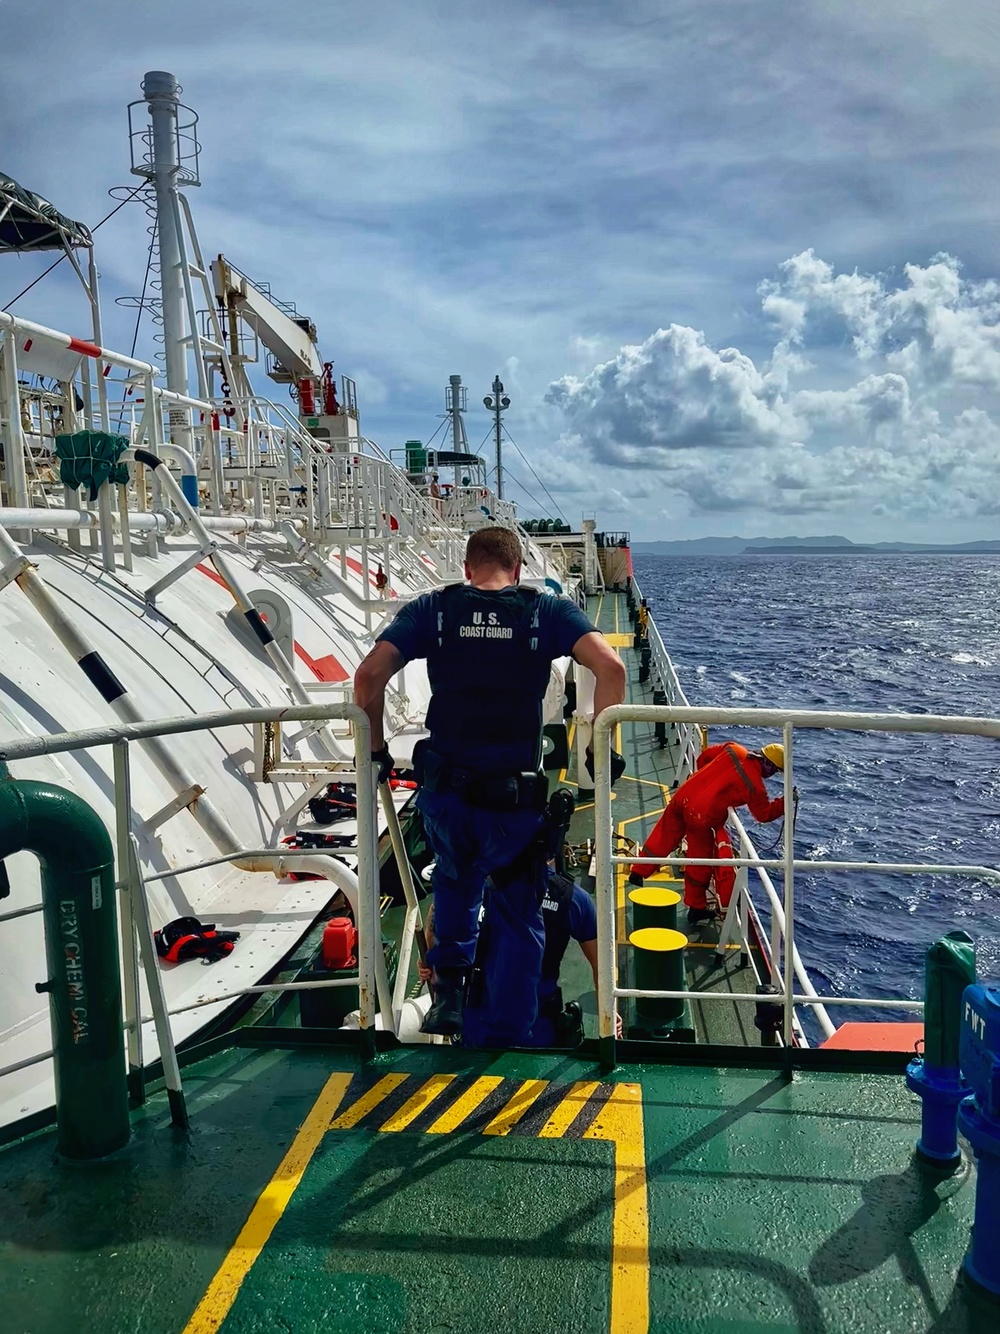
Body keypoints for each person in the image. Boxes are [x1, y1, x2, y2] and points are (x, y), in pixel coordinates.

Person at [354, 526, 626, 1042]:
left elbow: (367, 679)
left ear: (466, 568)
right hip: (512, 803)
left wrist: (373, 752)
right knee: (521, 908)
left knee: (455, 884)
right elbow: (609, 667)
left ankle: (450, 999)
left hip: (448, 795)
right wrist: (600, 744)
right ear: (519, 569)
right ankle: (516, 1029)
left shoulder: (433, 609)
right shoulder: (543, 611)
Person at [629, 741, 787, 927]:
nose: (772, 774)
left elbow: (704, 757)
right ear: (768, 765)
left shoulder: (734, 749)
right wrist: (785, 802)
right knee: (700, 862)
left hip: (685, 795)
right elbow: (764, 814)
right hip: (702, 818)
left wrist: (704, 783)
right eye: (775, 771)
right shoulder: (756, 787)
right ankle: (696, 909)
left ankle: (638, 871)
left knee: (663, 835)